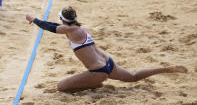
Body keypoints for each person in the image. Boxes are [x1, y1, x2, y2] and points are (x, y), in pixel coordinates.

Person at [26, 6, 188, 92]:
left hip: (99, 71)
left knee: (61, 87)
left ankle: (94, 85)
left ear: (63, 19)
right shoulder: (80, 28)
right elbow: (57, 26)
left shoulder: (69, 30)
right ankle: (167, 68)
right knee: (133, 77)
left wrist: (33, 19)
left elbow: (50, 26)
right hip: (108, 63)